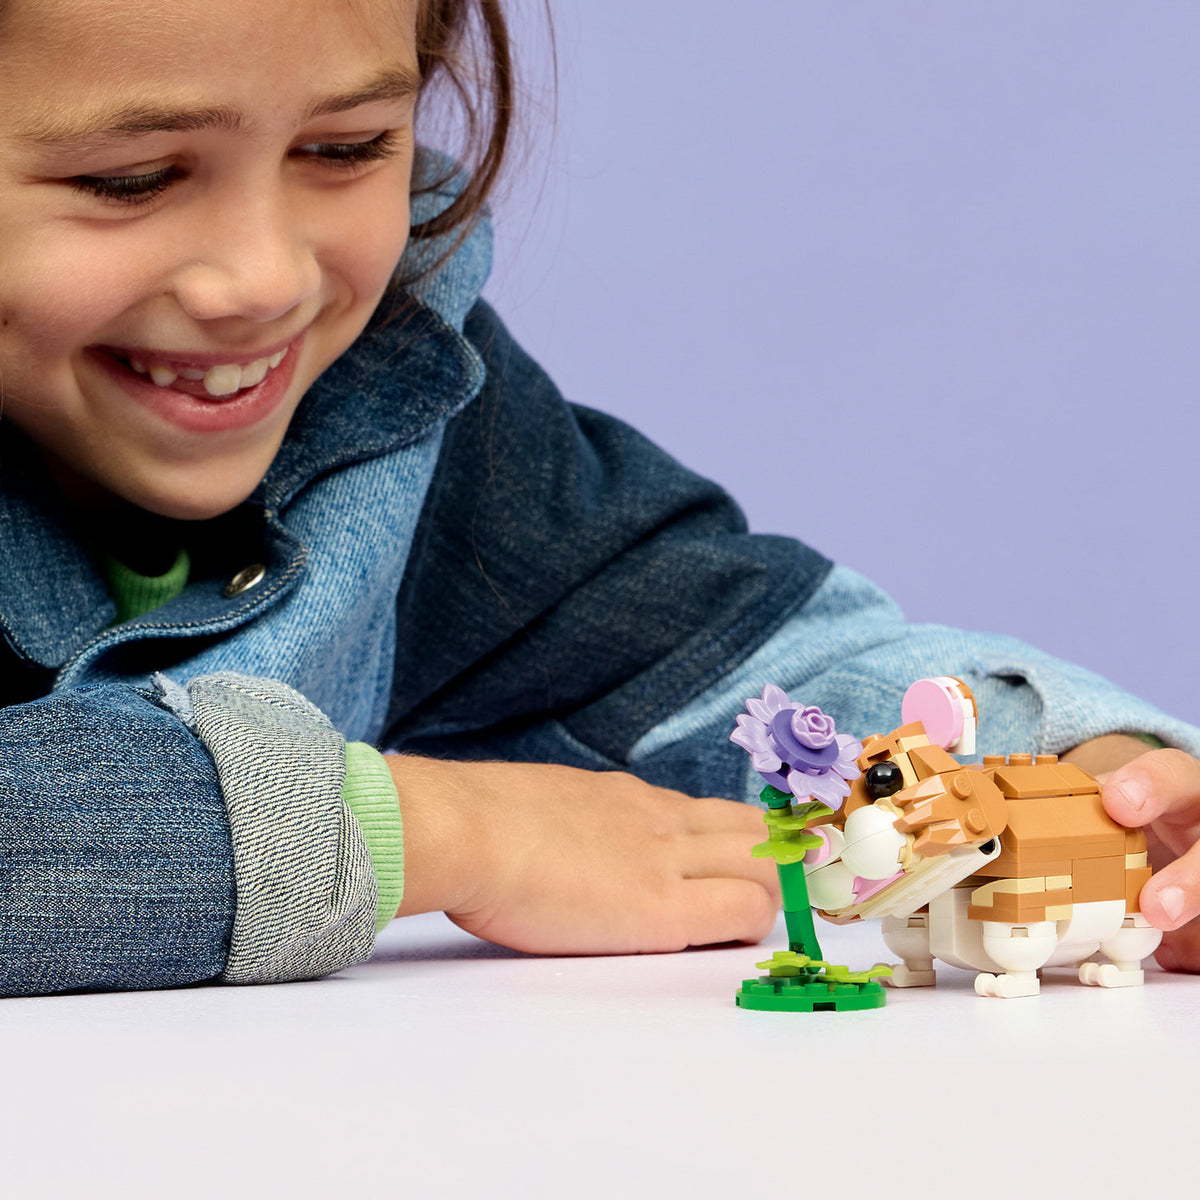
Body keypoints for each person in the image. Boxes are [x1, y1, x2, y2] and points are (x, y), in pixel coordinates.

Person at [0, 0, 1197, 997]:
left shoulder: (396, 391)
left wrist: (1078, 780)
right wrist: (436, 831)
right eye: (132, 178)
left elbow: (718, 661)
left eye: (346, 148)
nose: (263, 279)